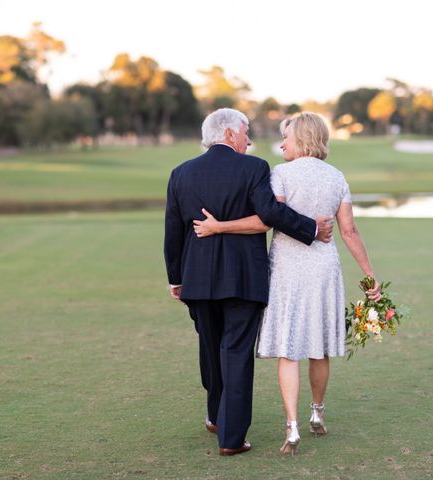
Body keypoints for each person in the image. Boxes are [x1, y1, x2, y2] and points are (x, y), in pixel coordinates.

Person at [192, 112, 381, 455]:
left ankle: (292, 426)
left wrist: (220, 226)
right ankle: (317, 412)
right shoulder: (337, 177)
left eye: (286, 138)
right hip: (324, 266)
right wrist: (370, 276)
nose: (281, 144)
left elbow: (267, 219)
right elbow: (349, 231)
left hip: (287, 268)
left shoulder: (279, 174)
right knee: (319, 344)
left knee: (288, 347)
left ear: (303, 139)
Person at [163, 108, 334, 456]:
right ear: (228, 134)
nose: (250, 140)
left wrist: (176, 279)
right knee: (236, 353)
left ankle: (215, 417)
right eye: (245, 132)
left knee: (210, 350)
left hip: (197, 280)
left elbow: (173, 232)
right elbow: (270, 214)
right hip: (243, 279)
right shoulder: (254, 168)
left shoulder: (180, 173)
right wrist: (312, 228)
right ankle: (232, 438)